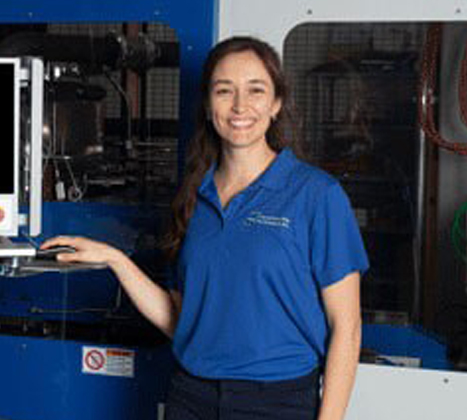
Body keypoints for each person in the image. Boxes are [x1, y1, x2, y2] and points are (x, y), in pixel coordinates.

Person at [41, 36, 369, 420]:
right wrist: (116, 261)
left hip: (277, 402)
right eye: (224, 91)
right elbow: (181, 320)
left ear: (277, 103)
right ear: (209, 104)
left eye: (256, 90)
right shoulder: (196, 196)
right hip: (190, 396)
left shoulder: (316, 195)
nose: (240, 106)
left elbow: (347, 329)